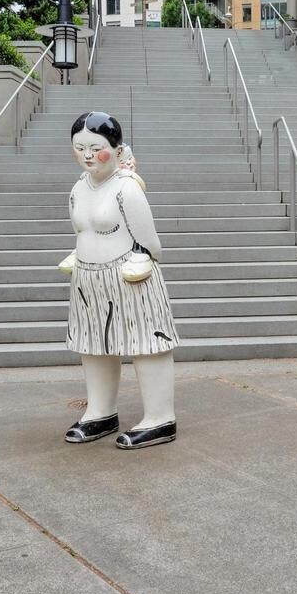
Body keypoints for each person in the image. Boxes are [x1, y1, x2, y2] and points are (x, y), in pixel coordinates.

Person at [62, 111, 179, 449]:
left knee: (147, 344)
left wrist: (143, 257)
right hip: (88, 279)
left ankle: (160, 417)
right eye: (79, 147)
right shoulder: (77, 189)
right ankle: (100, 411)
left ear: (114, 148)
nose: (87, 155)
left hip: (130, 276)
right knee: (93, 343)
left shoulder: (126, 189)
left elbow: (148, 239)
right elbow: (80, 230)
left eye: (95, 147)